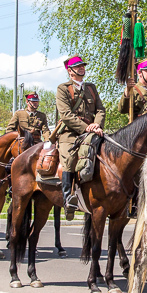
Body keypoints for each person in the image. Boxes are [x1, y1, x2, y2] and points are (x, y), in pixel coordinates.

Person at [55, 55, 105, 216]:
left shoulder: (91, 88)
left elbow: (100, 110)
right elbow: (66, 115)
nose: (82, 68)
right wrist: (87, 127)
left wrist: (96, 124)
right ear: (70, 71)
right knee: (69, 158)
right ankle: (68, 197)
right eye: (78, 66)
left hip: (92, 131)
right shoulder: (63, 88)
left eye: (82, 65)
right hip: (70, 133)